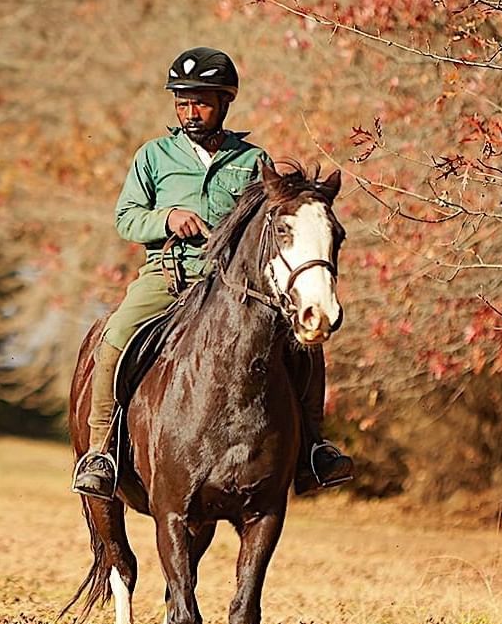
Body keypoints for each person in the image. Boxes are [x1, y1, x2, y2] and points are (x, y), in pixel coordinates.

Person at [70, 46, 355, 500]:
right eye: (182, 102)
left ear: (225, 102)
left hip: (230, 286)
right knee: (115, 338)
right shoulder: (153, 156)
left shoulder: (251, 161)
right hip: (168, 278)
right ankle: (102, 453)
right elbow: (126, 217)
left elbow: (268, 227)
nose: (190, 112)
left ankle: (314, 451)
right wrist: (166, 219)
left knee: (305, 348)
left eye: (200, 102)